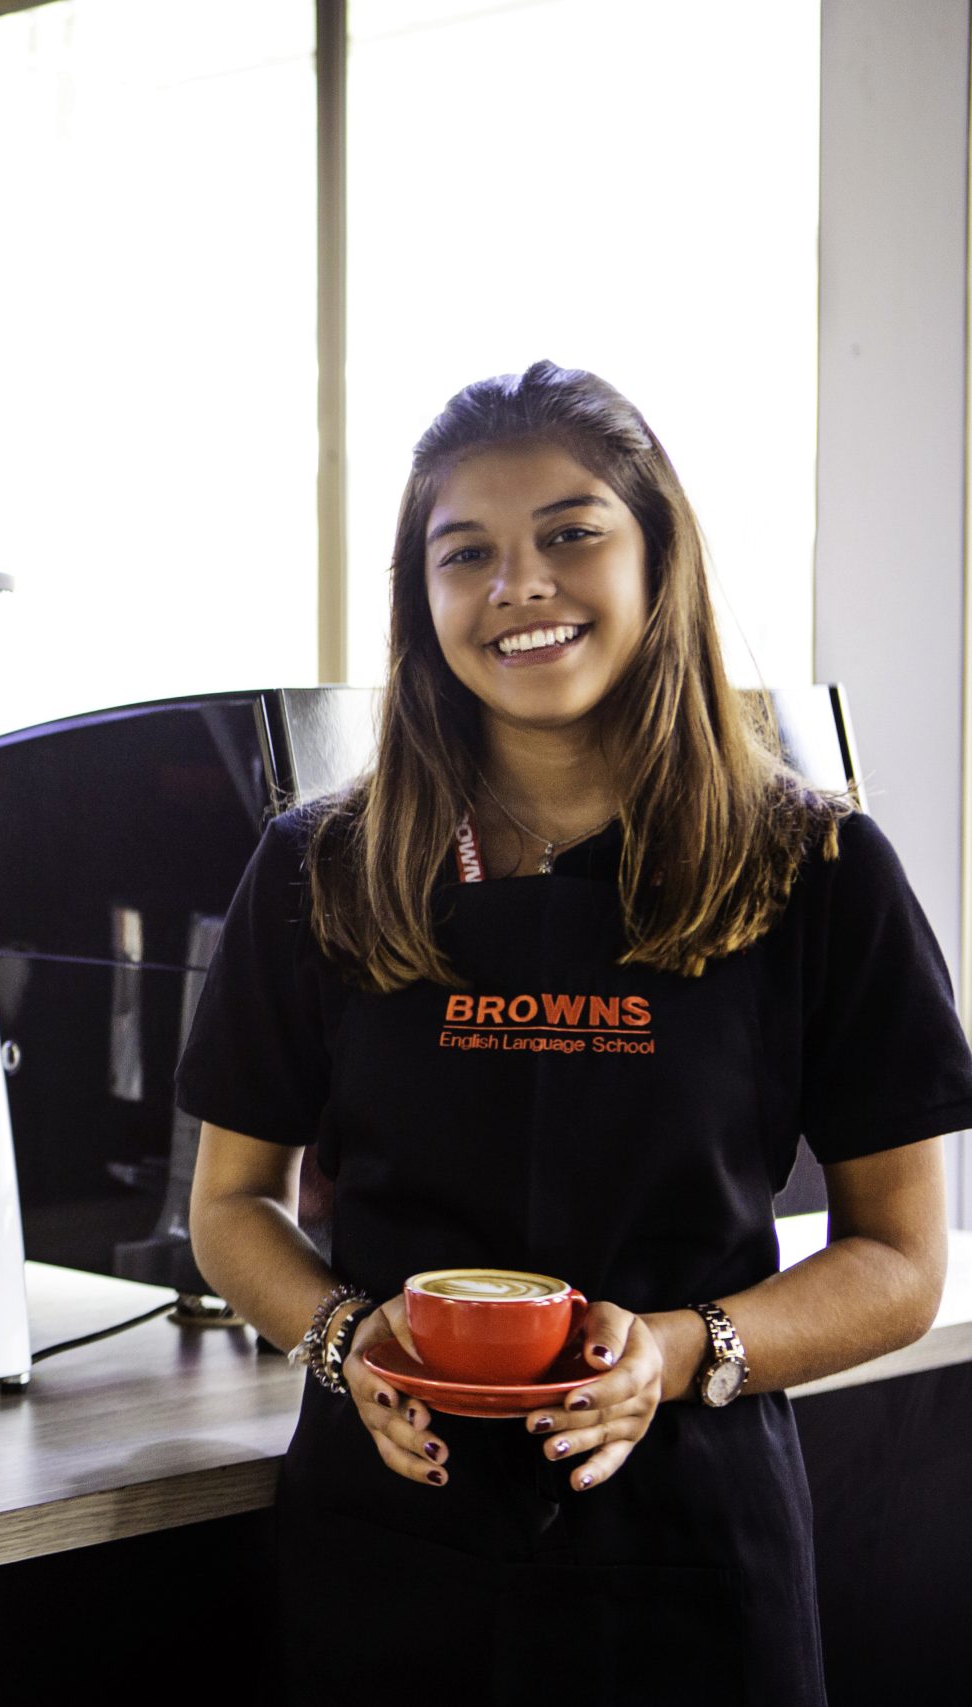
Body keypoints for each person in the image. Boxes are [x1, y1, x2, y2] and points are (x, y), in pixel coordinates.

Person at [178, 360, 969, 1704]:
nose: (518, 586)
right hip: (388, 1554)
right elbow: (230, 1203)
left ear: (658, 556)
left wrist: (677, 1350)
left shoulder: (815, 867)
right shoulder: (322, 866)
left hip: (691, 1557)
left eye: (570, 534)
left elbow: (899, 1258)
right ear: (420, 600)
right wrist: (343, 1336)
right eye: (465, 553)